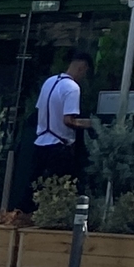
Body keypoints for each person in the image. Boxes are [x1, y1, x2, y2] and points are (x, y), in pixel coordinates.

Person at [31, 55, 94, 183]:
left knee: (37, 187)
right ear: (82, 68)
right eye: (85, 73)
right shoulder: (72, 88)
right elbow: (68, 120)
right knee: (60, 189)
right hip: (58, 147)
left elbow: (40, 110)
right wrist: (88, 123)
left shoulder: (49, 82)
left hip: (40, 144)